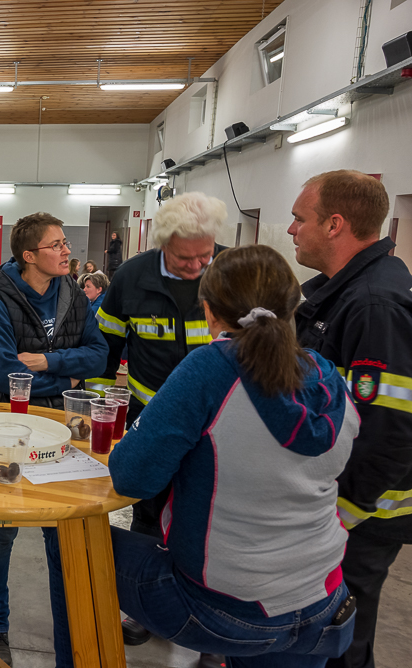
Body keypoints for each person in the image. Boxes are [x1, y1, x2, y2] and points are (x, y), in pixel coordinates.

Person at [97, 244, 358, 668]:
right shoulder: (330, 378)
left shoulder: (211, 368)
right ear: (294, 307)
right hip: (323, 602)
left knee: (70, 539)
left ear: (208, 311)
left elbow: (131, 477)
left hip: (226, 608)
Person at [95, 191, 227, 661]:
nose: (198, 267)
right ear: (163, 244)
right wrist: (98, 408)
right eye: (186, 258)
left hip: (220, 427)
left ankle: (214, 626)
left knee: (210, 521)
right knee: (147, 511)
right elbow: (106, 346)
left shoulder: (231, 272)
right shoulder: (131, 277)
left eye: (205, 256)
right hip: (152, 419)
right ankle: (146, 609)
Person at [288, 171, 412, 668]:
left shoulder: (373, 305)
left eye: (300, 218)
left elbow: (389, 432)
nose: (291, 229)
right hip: (340, 505)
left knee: (339, 643)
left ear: (334, 224)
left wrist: (339, 516)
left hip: (363, 515)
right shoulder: (343, 294)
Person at [0, 212, 109, 665]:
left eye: (65, 242)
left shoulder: (72, 292)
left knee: (65, 530)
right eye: (57, 245)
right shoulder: (0, 300)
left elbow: (99, 356)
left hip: (64, 429)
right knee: (0, 535)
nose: (67, 250)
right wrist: (67, 378)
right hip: (8, 429)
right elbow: (2, 374)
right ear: (29, 256)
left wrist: (48, 363)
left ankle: (71, 634)